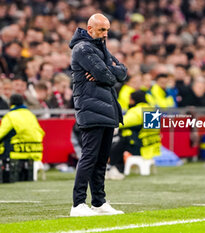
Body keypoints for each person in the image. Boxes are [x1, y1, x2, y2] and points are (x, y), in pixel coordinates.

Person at [69, 13, 128, 217]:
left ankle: (99, 202)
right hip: (91, 109)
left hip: (105, 109)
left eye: (107, 30)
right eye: (102, 29)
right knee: (89, 157)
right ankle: (77, 204)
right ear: (90, 28)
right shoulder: (83, 48)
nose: (105, 34)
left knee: (101, 159)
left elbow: (122, 72)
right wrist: (107, 72)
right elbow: (108, 76)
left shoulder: (99, 48)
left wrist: (107, 70)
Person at [108, 91, 161, 178]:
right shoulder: (151, 109)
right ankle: (117, 168)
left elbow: (121, 123)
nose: (129, 102)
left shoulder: (136, 111)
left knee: (121, 140)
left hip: (141, 148)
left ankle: (112, 167)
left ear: (134, 100)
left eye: (130, 99)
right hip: (152, 147)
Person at [0, 94, 44, 161]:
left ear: (10, 103)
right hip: (36, 152)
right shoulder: (31, 115)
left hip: (18, 152)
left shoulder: (10, 116)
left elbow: (1, 134)